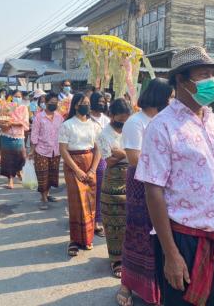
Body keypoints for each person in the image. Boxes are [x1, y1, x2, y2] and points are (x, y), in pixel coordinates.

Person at [136, 46, 214, 306]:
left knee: (213, 300)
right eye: (203, 75)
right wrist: (171, 253)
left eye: (212, 75)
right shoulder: (162, 126)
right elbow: (153, 191)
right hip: (183, 239)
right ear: (181, 80)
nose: (211, 83)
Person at [117, 78, 174, 306]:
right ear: (159, 97)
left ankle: (157, 284)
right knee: (138, 232)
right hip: (141, 184)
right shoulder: (136, 121)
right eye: (169, 96)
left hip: (163, 184)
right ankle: (127, 284)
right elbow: (133, 158)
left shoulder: (165, 120)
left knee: (160, 234)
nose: (172, 101)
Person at [59, 93, 101, 257]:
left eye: (88, 103)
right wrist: (77, 170)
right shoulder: (67, 125)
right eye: (83, 103)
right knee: (77, 204)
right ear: (76, 105)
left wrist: (92, 170)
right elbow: (63, 150)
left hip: (90, 162)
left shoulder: (94, 125)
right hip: (73, 164)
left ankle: (88, 238)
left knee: (90, 201)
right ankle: (75, 240)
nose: (87, 106)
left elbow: (98, 149)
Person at [97, 98, 132, 279]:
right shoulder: (104, 134)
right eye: (121, 118)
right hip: (113, 181)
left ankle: (130, 255)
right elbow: (109, 160)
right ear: (112, 115)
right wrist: (128, 153)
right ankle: (116, 259)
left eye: (127, 118)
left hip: (132, 178)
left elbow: (137, 152)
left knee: (131, 220)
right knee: (113, 223)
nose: (124, 122)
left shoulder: (132, 130)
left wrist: (121, 153)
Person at [30, 92, 62, 210]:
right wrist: (32, 150)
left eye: (55, 102)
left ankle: (47, 194)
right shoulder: (39, 117)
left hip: (56, 151)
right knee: (42, 174)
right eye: (51, 102)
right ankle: (43, 198)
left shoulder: (60, 117)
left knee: (52, 174)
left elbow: (63, 134)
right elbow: (34, 134)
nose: (54, 104)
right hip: (41, 150)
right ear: (46, 103)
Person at [0, 90, 30, 189]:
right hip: (6, 135)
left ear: (22, 98)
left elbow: (25, 123)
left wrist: (12, 123)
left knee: (21, 157)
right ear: (11, 97)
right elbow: (0, 118)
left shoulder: (24, 108)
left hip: (19, 136)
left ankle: (19, 172)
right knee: (7, 158)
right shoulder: (5, 106)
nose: (17, 98)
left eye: (19, 96)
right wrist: (1, 122)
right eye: (15, 96)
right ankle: (10, 179)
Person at [90, 91, 111, 238]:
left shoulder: (106, 120)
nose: (102, 104)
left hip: (103, 158)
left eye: (104, 102)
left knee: (99, 190)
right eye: (99, 101)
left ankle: (98, 221)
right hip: (86, 155)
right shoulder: (86, 118)